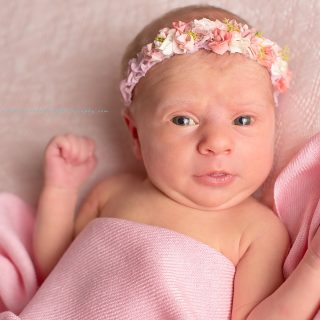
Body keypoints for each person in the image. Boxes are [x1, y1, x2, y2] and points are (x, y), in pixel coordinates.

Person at [33, 4, 320, 319]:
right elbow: (56, 267)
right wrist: (60, 190)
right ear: (136, 134)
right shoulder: (114, 192)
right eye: (183, 120)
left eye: (242, 120)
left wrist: (313, 266)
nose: (217, 143)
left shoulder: (257, 230)